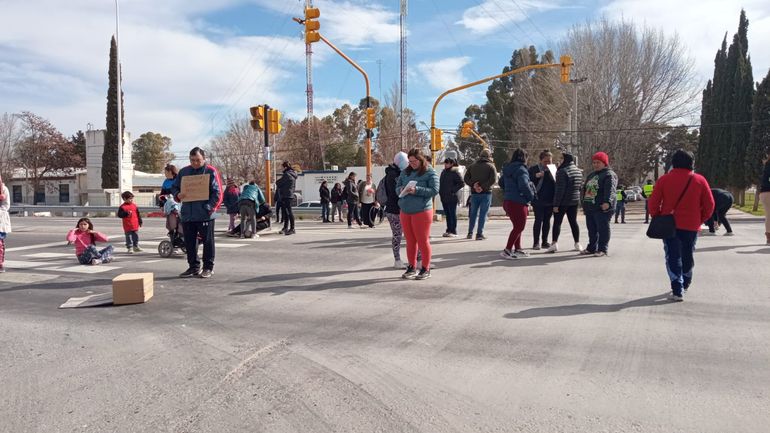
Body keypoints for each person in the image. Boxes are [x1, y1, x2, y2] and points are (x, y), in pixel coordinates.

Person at [648, 150, 714, 302]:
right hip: (691, 224)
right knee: (687, 252)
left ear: (673, 162)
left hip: (669, 224)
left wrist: (657, 216)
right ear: (692, 163)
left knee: (672, 254)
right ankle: (686, 281)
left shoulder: (664, 180)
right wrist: (700, 219)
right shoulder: (700, 180)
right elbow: (710, 205)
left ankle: (677, 288)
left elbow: (653, 203)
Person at [171, 147, 223, 278]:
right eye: (192, 160)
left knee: (208, 241)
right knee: (189, 242)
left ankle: (208, 267)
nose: (195, 163)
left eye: (198, 160)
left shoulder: (210, 171)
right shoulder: (184, 172)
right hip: (188, 214)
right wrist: (178, 195)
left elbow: (217, 193)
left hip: (205, 214)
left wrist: (209, 207)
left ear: (204, 159)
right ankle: (193, 267)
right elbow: (174, 187)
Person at [397, 148, 439, 280]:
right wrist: (401, 189)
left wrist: (417, 190)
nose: (412, 164)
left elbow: (434, 190)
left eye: (414, 161)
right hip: (405, 210)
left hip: (422, 211)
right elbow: (397, 186)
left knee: (422, 240)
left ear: (421, 159)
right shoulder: (405, 172)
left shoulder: (429, 172)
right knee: (410, 241)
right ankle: (411, 267)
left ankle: (425, 268)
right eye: (410, 161)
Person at [499, 148, 536, 259]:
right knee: (519, 227)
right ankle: (507, 250)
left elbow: (501, 182)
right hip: (518, 202)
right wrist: (531, 197)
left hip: (508, 201)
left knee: (517, 226)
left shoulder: (507, 169)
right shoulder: (521, 170)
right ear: (524, 158)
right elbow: (524, 185)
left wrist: (509, 191)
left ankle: (518, 248)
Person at [580, 152, 617, 257]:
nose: (595, 164)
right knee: (591, 229)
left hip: (602, 207)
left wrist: (607, 202)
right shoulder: (592, 175)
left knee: (602, 228)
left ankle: (602, 249)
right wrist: (584, 204)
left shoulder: (609, 174)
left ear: (604, 163)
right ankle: (592, 248)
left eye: (598, 162)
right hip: (590, 207)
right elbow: (585, 189)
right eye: (594, 162)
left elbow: (610, 190)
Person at [549, 152, 583, 253]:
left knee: (557, 222)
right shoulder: (578, 171)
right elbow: (579, 187)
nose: (560, 161)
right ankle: (577, 243)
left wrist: (556, 204)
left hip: (563, 201)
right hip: (574, 201)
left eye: (561, 159)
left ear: (565, 160)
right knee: (573, 222)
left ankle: (554, 244)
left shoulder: (562, 171)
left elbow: (560, 190)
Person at [463, 148, 497, 240]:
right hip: (486, 193)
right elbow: (493, 180)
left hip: (474, 194)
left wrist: (474, 185)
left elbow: (466, 178)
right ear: (489, 156)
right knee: (482, 214)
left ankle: (470, 233)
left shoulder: (472, 166)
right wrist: (483, 187)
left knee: (473, 213)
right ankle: (479, 234)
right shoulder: (491, 166)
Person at [384, 152, 409, 268]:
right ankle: (397, 260)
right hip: (394, 210)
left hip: (397, 208)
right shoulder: (393, 175)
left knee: (407, 235)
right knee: (398, 235)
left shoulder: (394, 173)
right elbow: (395, 193)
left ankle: (414, 259)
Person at [529, 149, 556, 249]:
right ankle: (536, 242)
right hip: (538, 199)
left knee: (547, 221)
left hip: (550, 199)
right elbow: (527, 180)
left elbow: (557, 183)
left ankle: (545, 241)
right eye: (545, 161)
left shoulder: (553, 169)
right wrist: (536, 176)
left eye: (550, 161)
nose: (548, 163)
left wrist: (553, 175)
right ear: (540, 160)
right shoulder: (534, 168)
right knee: (538, 220)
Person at [439, 157, 464, 237]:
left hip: (452, 197)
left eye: (447, 163)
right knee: (447, 214)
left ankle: (453, 230)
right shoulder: (443, 172)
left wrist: (453, 190)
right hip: (444, 197)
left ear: (452, 164)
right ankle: (448, 229)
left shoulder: (455, 172)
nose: (445, 164)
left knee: (452, 214)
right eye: (445, 163)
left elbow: (461, 183)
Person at [276, 161, 297, 235]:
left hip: (286, 195)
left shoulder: (287, 174)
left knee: (289, 212)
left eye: (282, 167)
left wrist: (279, 184)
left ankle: (292, 228)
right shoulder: (292, 174)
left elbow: (278, 183)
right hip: (289, 194)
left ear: (285, 167)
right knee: (286, 212)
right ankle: (285, 228)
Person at [0, 179, 11, 273]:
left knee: (0, 244)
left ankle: (0, 264)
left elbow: (6, 206)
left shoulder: (4, 189)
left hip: (0, 220)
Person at [760, 151, 770, 245]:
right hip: (768, 192)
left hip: (763, 192)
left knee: (768, 215)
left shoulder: (766, 165)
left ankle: (768, 237)